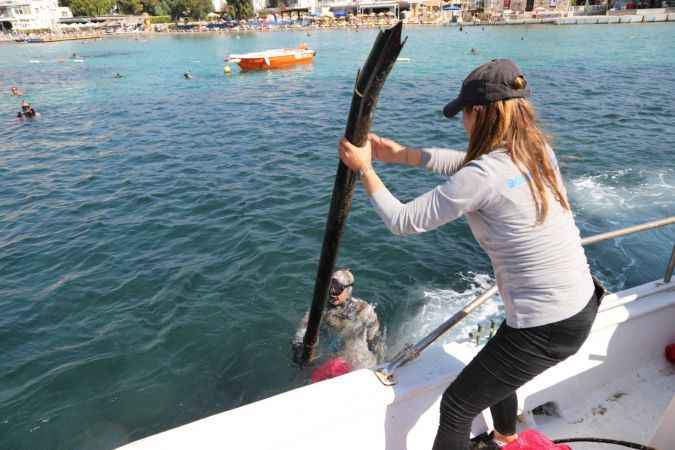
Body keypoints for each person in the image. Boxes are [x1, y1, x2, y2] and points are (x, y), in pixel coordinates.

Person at [338, 59, 603, 450]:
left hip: (544, 324)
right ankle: (506, 438)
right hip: (580, 304)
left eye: (463, 112)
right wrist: (400, 154)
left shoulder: (483, 176)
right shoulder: (535, 149)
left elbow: (403, 221)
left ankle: (504, 435)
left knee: (458, 406)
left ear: (479, 112)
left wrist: (365, 169)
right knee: (497, 366)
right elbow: (472, 169)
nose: (462, 120)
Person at [292, 269, 384, 370]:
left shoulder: (363, 309)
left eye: (337, 288)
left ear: (348, 289)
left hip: (359, 360)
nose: (332, 293)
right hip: (334, 361)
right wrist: (299, 348)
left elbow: (375, 337)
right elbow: (305, 328)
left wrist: (380, 358)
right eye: (330, 287)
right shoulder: (322, 309)